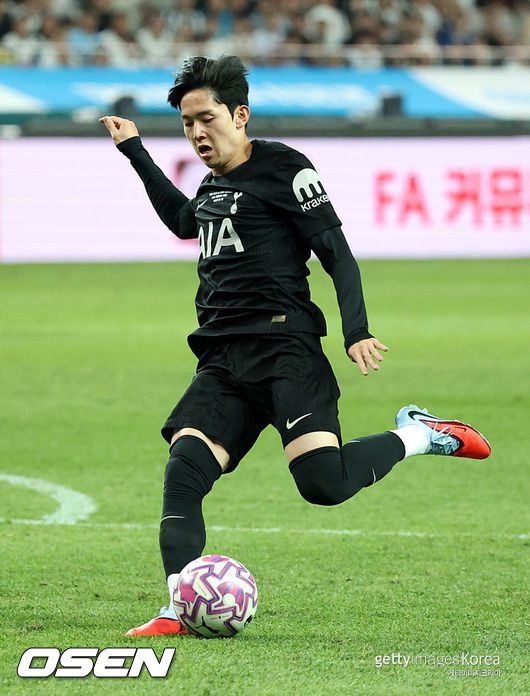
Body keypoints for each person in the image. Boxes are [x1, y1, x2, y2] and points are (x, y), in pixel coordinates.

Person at [99, 55, 491, 637]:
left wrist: (357, 330)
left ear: (240, 115)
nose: (197, 133)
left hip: (287, 351)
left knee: (323, 485)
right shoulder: (211, 185)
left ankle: (419, 434)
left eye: (206, 119)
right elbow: (183, 222)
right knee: (184, 470)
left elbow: (337, 253)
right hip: (223, 359)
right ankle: (178, 607)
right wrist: (134, 150)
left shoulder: (286, 167)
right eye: (187, 124)